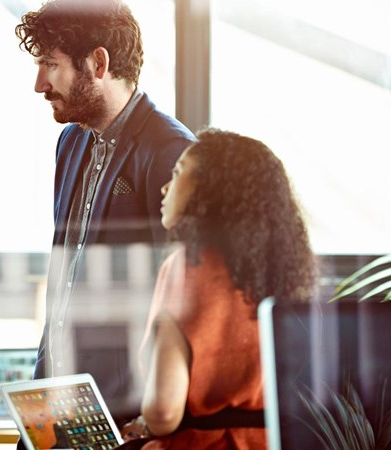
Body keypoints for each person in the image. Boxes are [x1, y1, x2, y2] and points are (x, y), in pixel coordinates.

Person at [14, 0, 195, 426]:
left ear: (98, 63)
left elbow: (186, 301)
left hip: (127, 413)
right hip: (58, 402)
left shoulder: (173, 152)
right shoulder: (71, 142)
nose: (39, 83)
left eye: (50, 65)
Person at [121, 129, 317, 448]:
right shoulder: (281, 270)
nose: (165, 187)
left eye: (178, 173)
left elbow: (163, 411)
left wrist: (145, 424)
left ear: (210, 191)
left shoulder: (187, 266)